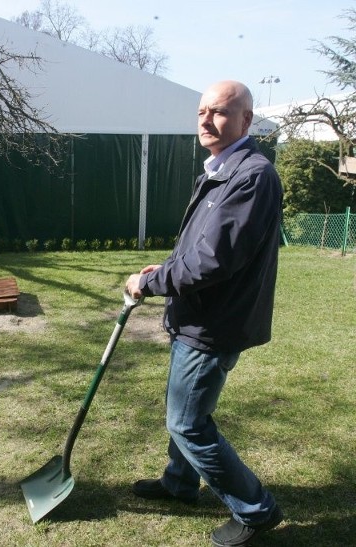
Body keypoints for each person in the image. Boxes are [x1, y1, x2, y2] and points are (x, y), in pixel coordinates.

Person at [125, 80, 283, 547]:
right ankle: (179, 484)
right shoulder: (222, 169)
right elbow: (200, 246)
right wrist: (168, 267)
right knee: (185, 413)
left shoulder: (251, 175)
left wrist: (150, 283)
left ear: (246, 120)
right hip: (197, 315)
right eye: (201, 112)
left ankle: (256, 509)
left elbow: (214, 260)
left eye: (219, 112)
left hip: (214, 323)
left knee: (188, 422)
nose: (206, 121)